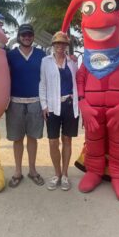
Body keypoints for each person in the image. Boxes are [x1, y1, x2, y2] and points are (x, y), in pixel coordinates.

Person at [6, 24, 45, 187]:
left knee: (32, 138)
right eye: (23, 35)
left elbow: (50, 76)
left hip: (36, 102)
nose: (27, 37)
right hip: (14, 102)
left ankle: (33, 170)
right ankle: (17, 171)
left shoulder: (42, 54)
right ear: (18, 36)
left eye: (29, 34)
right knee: (17, 139)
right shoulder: (10, 55)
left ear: (33, 36)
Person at [39, 31, 79, 191]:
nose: (60, 46)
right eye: (57, 44)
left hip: (69, 105)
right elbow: (42, 84)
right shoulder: (45, 61)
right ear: (53, 45)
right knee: (53, 142)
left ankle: (65, 175)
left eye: (63, 44)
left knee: (67, 140)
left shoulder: (72, 62)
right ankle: (56, 174)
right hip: (53, 106)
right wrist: (44, 105)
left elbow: (78, 80)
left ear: (66, 46)